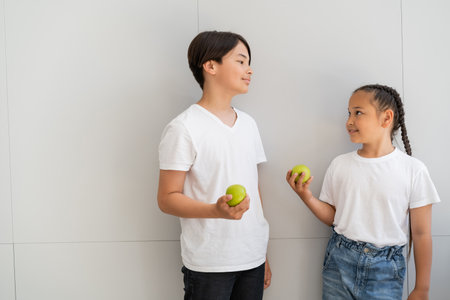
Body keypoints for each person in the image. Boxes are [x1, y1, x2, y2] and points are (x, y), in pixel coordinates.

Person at [286, 84, 440, 300]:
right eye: (348, 113)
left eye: (358, 113)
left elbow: (422, 233)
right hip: (339, 262)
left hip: (385, 270)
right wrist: (306, 196)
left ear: (386, 118)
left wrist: (422, 287)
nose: (349, 121)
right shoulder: (340, 165)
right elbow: (333, 217)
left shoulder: (413, 170)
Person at [157, 31, 271, 300]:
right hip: (209, 264)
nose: (250, 70)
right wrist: (215, 211)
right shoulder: (183, 127)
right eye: (241, 61)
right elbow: (167, 198)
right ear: (211, 66)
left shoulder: (249, 124)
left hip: (252, 257)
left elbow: (254, 191)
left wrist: (262, 252)